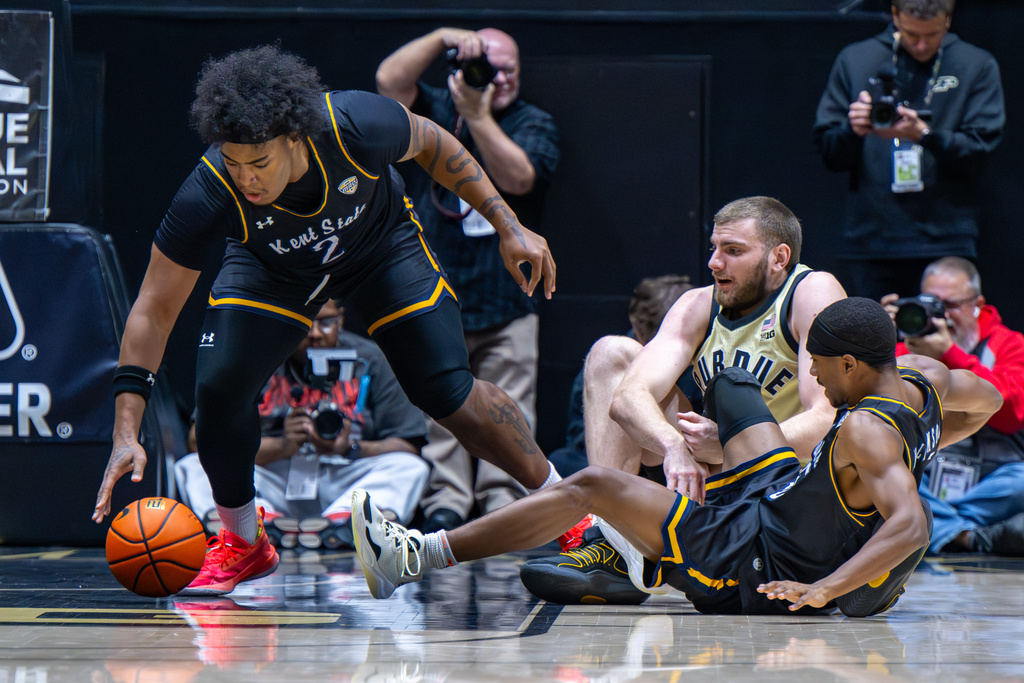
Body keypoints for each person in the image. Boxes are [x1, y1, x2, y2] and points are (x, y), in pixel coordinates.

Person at [91, 45, 562, 596]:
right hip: (273, 270)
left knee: (446, 390)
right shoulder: (210, 189)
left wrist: (507, 226)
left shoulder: (353, 124)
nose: (247, 179)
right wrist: (127, 429)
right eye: (234, 162)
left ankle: (569, 508)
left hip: (378, 248)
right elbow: (153, 308)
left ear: (296, 138)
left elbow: (436, 143)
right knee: (218, 392)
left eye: (259, 163)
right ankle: (244, 543)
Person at [352, 298, 1003, 616]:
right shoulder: (925, 377)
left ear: (854, 364)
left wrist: (825, 587)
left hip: (752, 556)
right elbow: (994, 401)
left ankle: (413, 554)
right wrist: (926, 441)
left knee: (592, 481)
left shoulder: (864, 429)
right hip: (781, 498)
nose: (819, 382)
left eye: (824, 371)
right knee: (732, 390)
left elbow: (911, 525)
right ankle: (642, 552)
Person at [522, 196, 847, 603]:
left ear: (779, 257)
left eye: (733, 251)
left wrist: (736, 441)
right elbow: (627, 398)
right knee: (611, 354)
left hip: (785, 487)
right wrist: (672, 444)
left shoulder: (811, 291)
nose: (714, 262)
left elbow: (827, 420)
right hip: (713, 476)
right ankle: (614, 543)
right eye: (714, 248)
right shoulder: (698, 303)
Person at [376, 27, 560, 532]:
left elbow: (520, 177)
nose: (496, 79)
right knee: (443, 403)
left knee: (511, 406)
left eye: (508, 70)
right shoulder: (435, 108)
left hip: (509, 295)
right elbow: (388, 80)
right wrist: (439, 38)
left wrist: (479, 118)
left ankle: (505, 499)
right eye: (487, 67)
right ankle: (448, 499)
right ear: (458, 72)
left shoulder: (532, 121)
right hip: (439, 288)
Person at [174, 299, 430, 550]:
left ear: (341, 318)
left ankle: (346, 523)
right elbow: (198, 440)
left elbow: (409, 445)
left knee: (412, 468)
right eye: (305, 323)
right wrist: (282, 446)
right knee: (192, 466)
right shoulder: (253, 357)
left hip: (345, 475)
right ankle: (257, 524)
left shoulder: (369, 358)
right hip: (271, 477)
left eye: (326, 322)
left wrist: (349, 447)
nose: (316, 334)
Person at [813, 0, 1005, 302]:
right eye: (911, 33)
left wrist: (925, 135)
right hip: (871, 238)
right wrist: (854, 129)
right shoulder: (857, 59)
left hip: (946, 237)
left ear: (948, 20)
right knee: (870, 343)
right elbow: (829, 154)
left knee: (938, 342)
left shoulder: (975, 63)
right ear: (895, 15)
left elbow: (981, 151)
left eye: (932, 35)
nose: (920, 45)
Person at [882, 256, 1024, 556]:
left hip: (991, 477)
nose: (940, 316)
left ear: (978, 303)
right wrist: (878, 338)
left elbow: (1013, 414)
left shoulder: (1009, 343)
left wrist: (950, 354)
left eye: (950, 306)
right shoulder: (906, 348)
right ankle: (967, 537)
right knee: (877, 470)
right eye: (931, 304)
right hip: (924, 472)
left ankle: (927, 527)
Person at [547, 274, 699, 479]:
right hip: (622, 464)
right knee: (563, 461)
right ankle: (606, 503)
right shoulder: (609, 362)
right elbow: (583, 441)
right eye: (651, 340)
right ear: (636, 327)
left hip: (689, 460)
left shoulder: (704, 355)